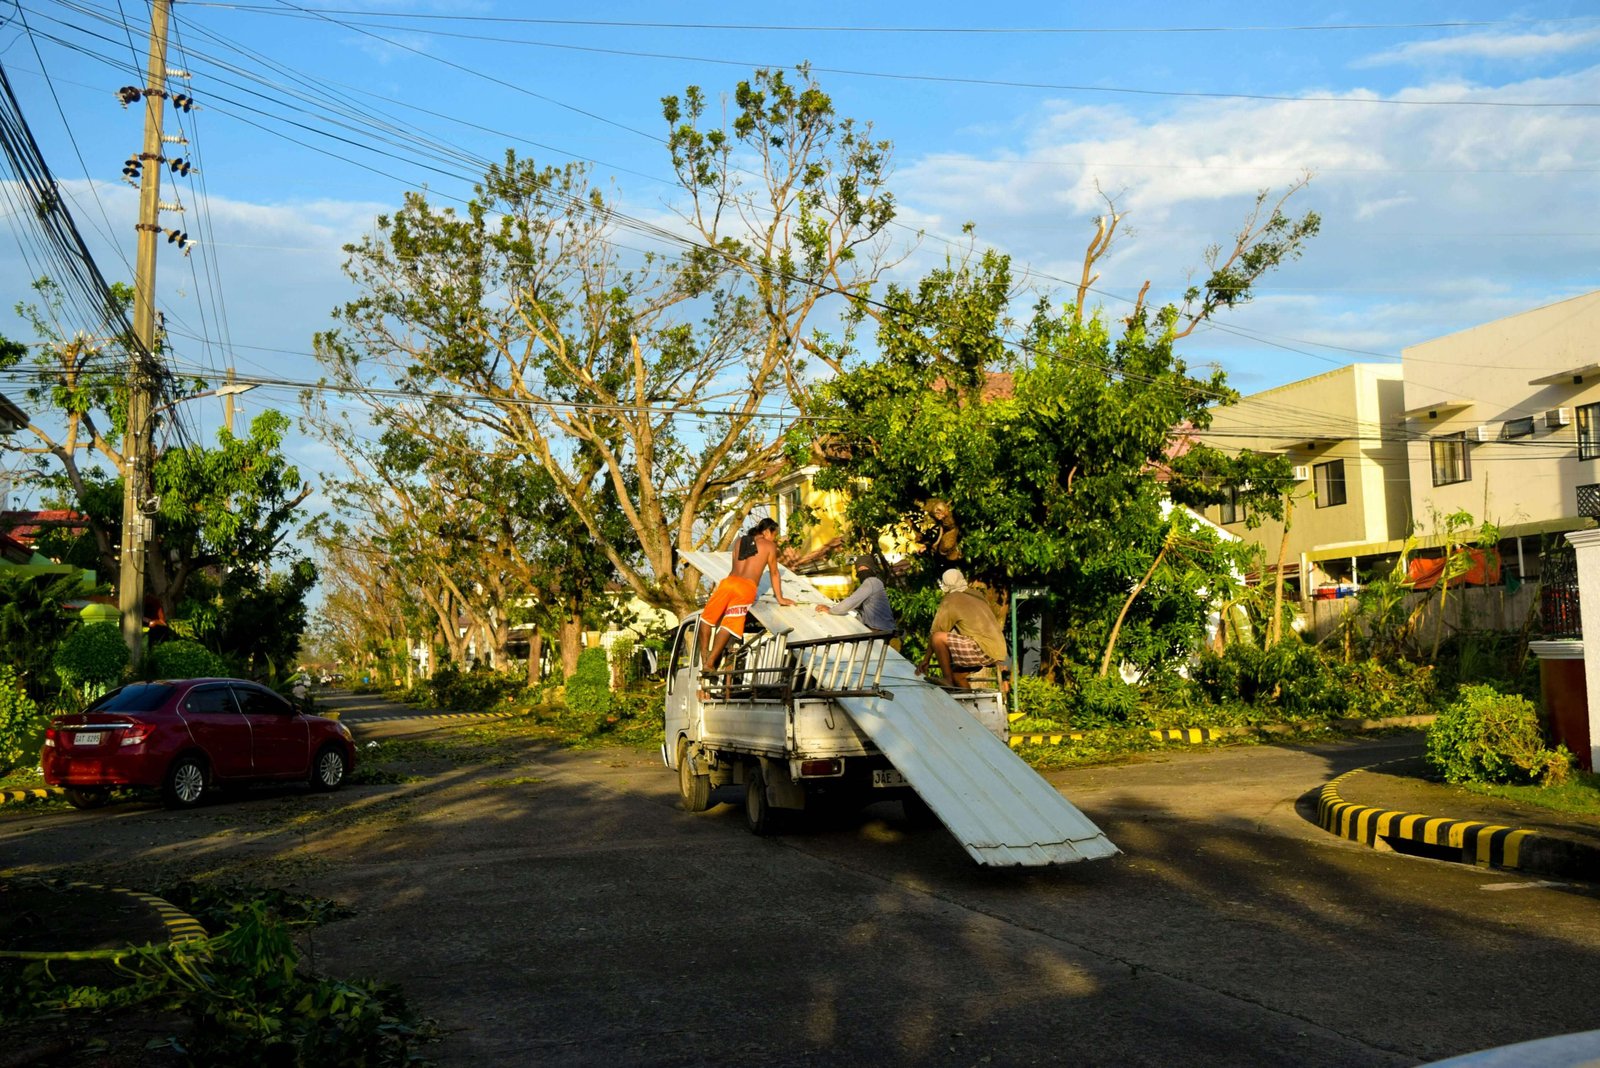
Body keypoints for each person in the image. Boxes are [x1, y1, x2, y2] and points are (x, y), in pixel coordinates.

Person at [698, 517, 794, 693]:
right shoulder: (769, 546)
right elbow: (774, 573)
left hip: (728, 582)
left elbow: (734, 565)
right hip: (746, 588)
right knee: (729, 624)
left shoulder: (740, 541)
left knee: (707, 618)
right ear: (767, 532)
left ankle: (704, 657)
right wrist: (780, 598)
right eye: (775, 534)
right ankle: (711, 663)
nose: (775, 539)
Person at [916, 568, 1008, 690]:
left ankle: (947, 680)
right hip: (998, 649)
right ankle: (969, 704)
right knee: (957, 676)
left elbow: (935, 633)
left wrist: (925, 660)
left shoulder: (951, 599)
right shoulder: (977, 594)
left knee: (937, 637)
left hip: (982, 648)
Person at [816, 554, 899, 647]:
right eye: (859, 569)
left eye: (864, 568)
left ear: (871, 568)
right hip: (884, 632)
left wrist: (830, 610)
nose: (862, 571)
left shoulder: (871, 582)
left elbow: (850, 602)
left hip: (884, 633)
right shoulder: (875, 582)